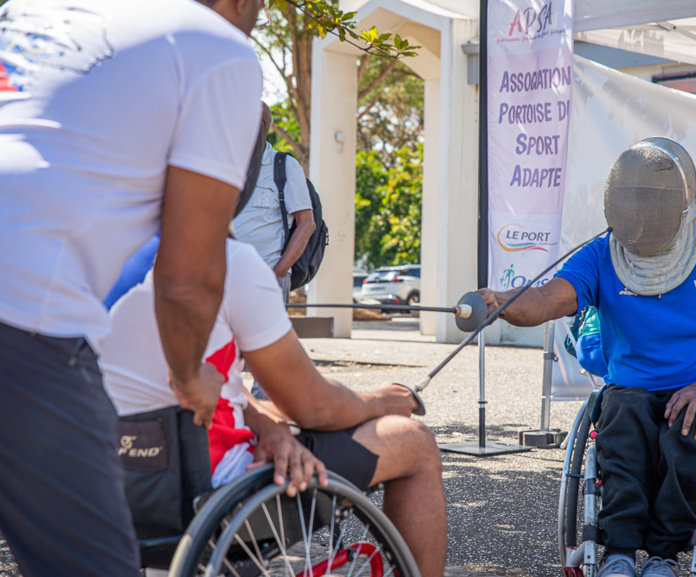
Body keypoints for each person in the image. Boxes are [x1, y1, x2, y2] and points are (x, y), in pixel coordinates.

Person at [0, 0, 264, 575]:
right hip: (22, 314)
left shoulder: (32, 11)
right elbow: (188, 278)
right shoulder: (217, 48)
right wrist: (192, 379)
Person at [480, 138, 696, 577]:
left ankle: (663, 555)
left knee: (688, 423)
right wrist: (502, 301)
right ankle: (618, 552)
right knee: (621, 416)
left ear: (681, 204)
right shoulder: (601, 253)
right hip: (630, 388)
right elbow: (548, 299)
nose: (643, 216)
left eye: (654, 204)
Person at [100, 236, 447, 577]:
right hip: (208, 500)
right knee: (413, 442)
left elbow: (211, 383)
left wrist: (269, 425)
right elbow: (315, 406)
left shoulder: (83, 257)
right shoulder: (228, 261)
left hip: (103, 494)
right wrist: (380, 401)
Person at [234, 103, 316, 304]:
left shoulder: (284, 166)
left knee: (264, 337)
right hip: (226, 278)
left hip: (268, 280)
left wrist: (277, 273)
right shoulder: (228, 164)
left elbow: (307, 224)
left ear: (260, 126)